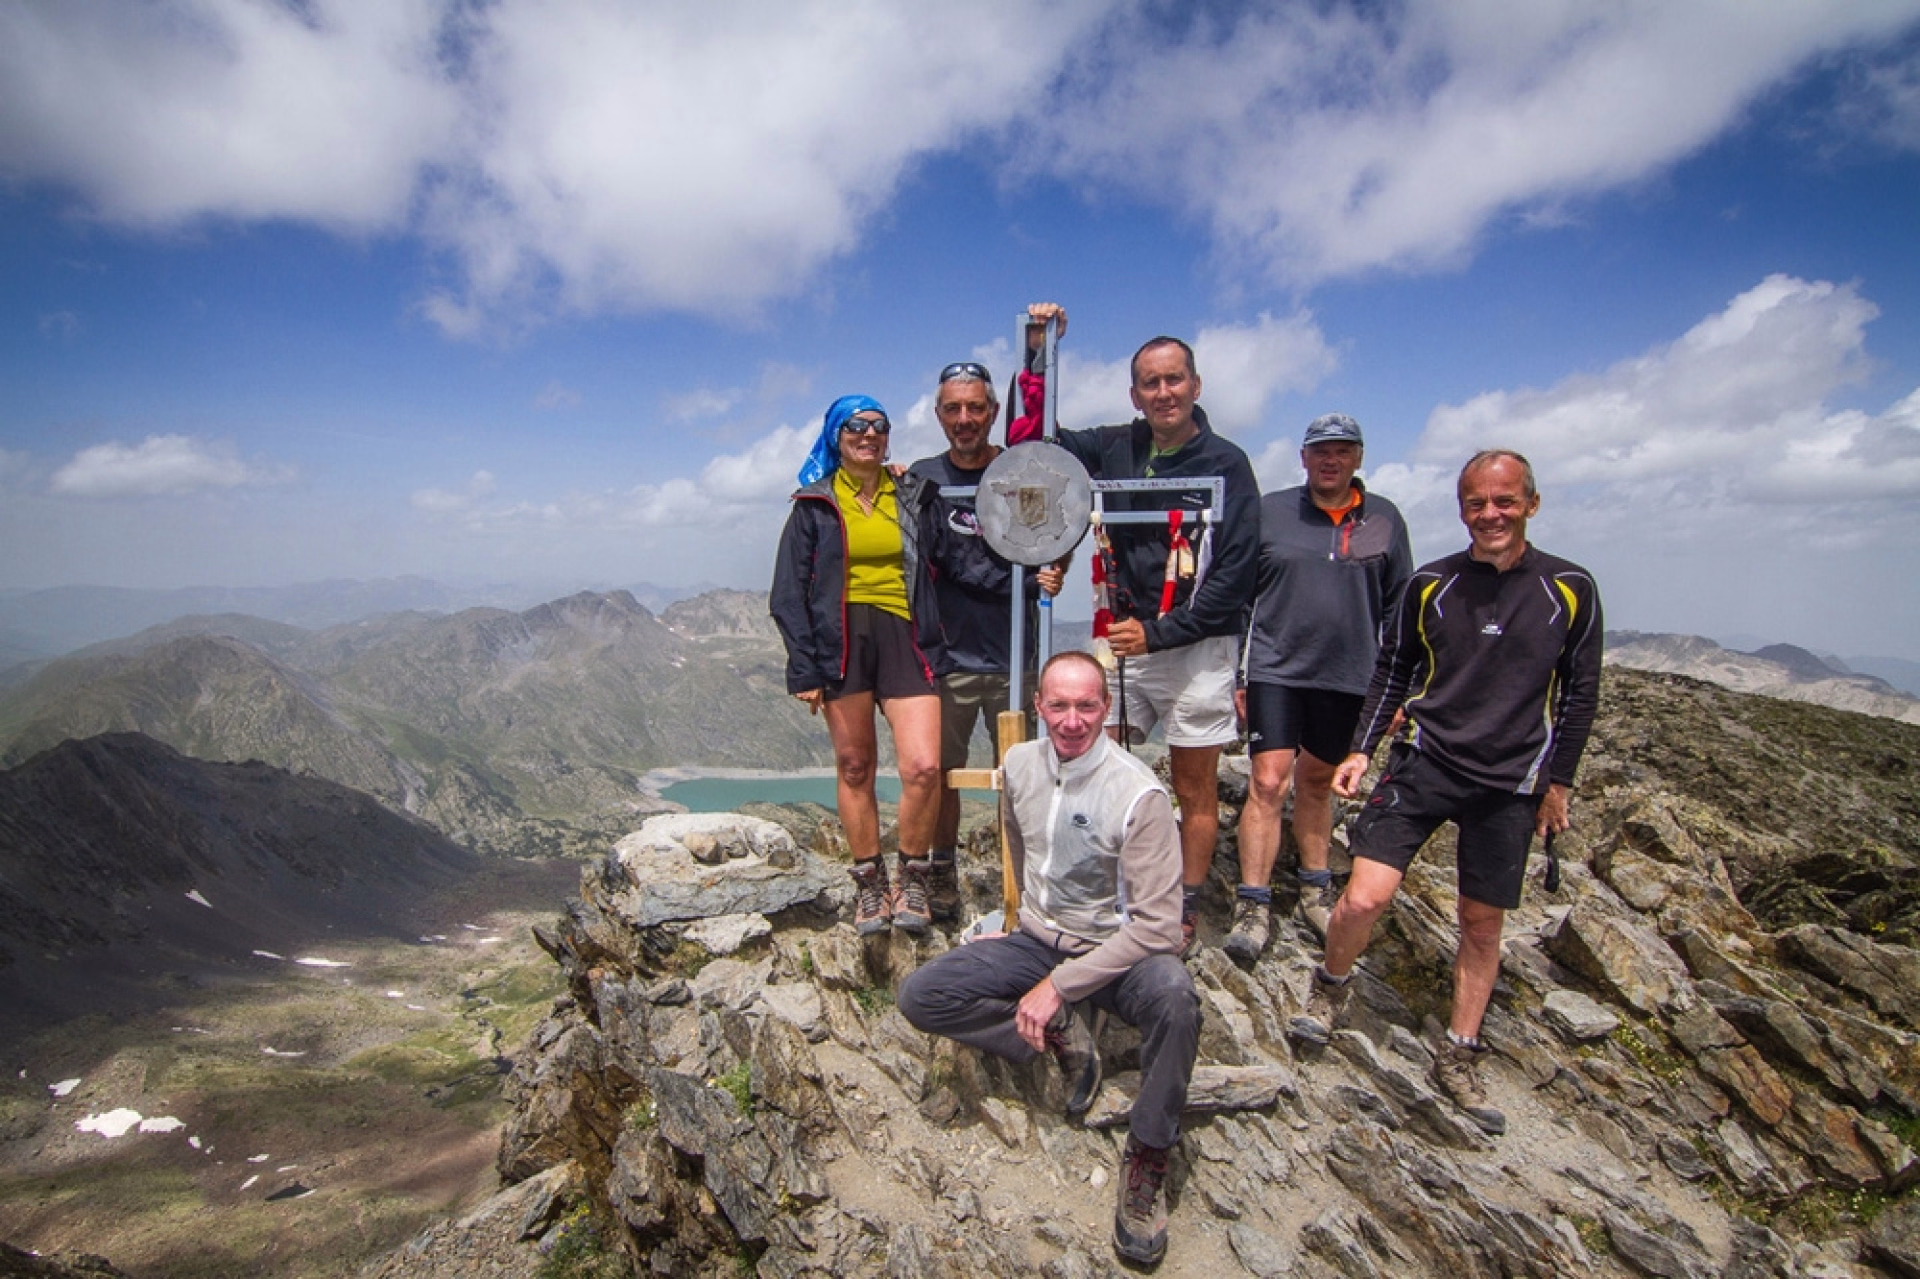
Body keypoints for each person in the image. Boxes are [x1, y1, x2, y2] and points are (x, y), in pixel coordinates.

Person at [1285, 450, 1602, 1137]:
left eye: (1504, 501)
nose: (1490, 514)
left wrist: (1559, 783)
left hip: (1510, 781)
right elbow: (1393, 670)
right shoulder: (1431, 583)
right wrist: (1362, 749)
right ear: (1461, 508)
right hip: (1425, 761)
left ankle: (1459, 1051)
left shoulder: (1570, 587)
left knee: (1482, 925)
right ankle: (1330, 986)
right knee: (1363, 897)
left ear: (1531, 504)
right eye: (1476, 503)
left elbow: (1580, 693)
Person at [898, 650, 1199, 1268]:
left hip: (1118, 953)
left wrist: (1060, 985)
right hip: (1036, 939)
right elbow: (1019, 840)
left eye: (1086, 705)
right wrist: (1014, 927)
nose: (1071, 720)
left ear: (1107, 708)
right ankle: (1062, 1038)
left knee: (1176, 999)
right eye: (1058, 705)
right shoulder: (1019, 764)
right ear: (1038, 706)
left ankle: (1147, 1154)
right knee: (921, 995)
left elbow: (1159, 927)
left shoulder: (1138, 795)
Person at [1043, 329, 1261, 953]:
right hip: (1123, 644)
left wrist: (1159, 634)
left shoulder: (1228, 464)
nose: (1164, 392)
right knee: (1094, 767)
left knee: (1193, 787)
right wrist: (1037, 352)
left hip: (1196, 649)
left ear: (1196, 385)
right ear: (1134, 394)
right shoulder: (1114, 446)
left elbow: (1235, 576)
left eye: (1174, 379)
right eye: (1150, 383)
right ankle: (1104, 892)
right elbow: (1037, 437)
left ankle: (1181, 907)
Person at [1226, 413, 1413, 962]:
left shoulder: (1385, 518)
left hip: (1350, 675)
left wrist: (1396, 693)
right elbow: (1241, 597)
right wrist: (1238, 674)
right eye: (1320, 451)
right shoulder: (1271, 512)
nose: (1331, 460)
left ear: (1358, 457)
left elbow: (1400, 608)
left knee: (1317, 783)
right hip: (1276, 669)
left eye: (1342, 450)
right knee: (1267, 781)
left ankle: (1314, 890)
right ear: (1303, 458)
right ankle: (1253, 904)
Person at [908, 306, 1069, 922]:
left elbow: (1055, 529)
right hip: (947, 659)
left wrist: (1056, 567)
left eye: (975, 408)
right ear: (939, 416)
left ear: (993, 411)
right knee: (945, 775)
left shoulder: (1019, 471)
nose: (965, 419)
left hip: (1014, 657)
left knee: (1021, 776)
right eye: (953, 409)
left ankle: (1024, 882)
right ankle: (941, 874)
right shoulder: (922, 479)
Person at [771, 395, 951, 934]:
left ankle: (912, 877)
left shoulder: (913, 494)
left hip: (907, 636)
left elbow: (950, 559)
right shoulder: (814, 505)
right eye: (855, 425)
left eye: (879, 426)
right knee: (855, 767)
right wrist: (805, 668)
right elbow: (788, 593)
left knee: (924, 767)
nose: (868, 434)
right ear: (836, 435)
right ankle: (870, 886)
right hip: (841, 641)